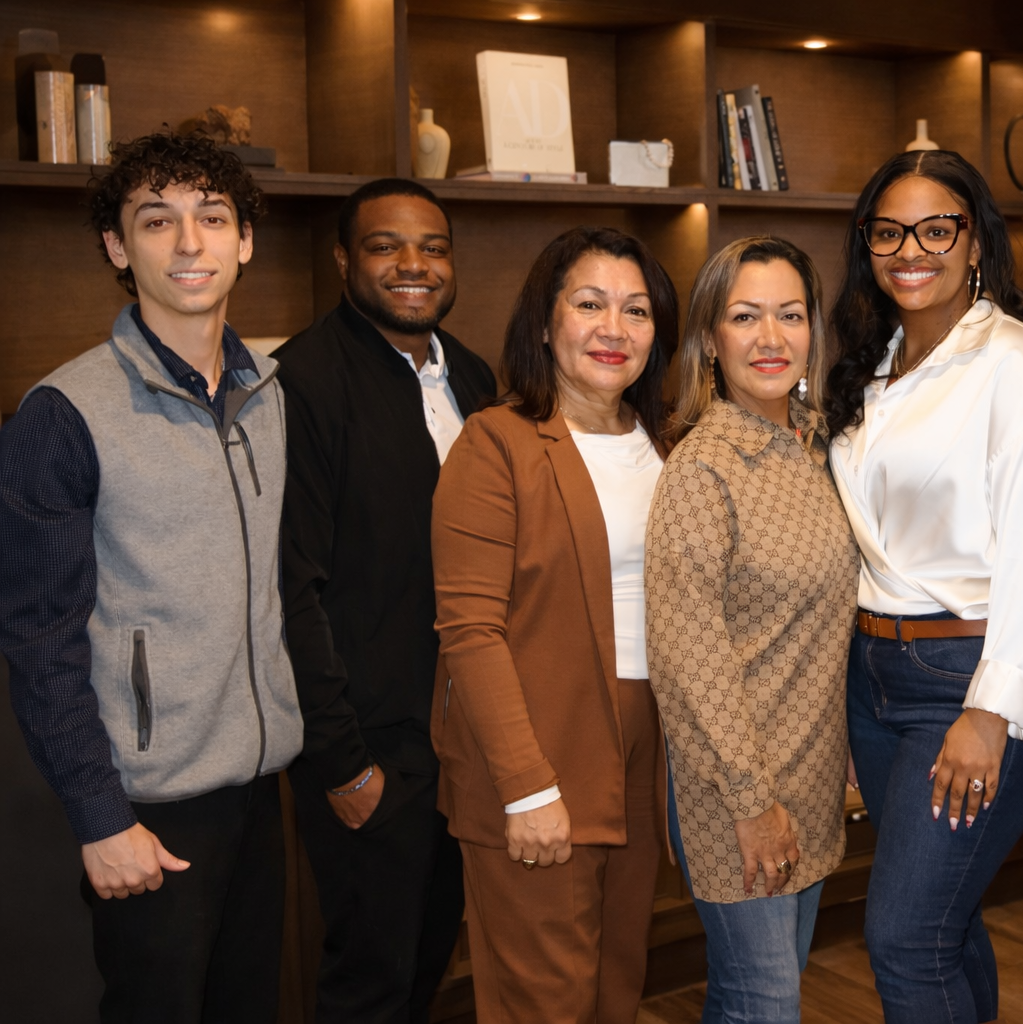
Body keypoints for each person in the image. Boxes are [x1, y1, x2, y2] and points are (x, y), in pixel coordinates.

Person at [0, 132, 302, 1022]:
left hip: (258, 784)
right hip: (149, 803)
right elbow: (38, 641)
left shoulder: (269, 393)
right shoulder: (63, 416)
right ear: (115, 247)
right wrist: (99, 816)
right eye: (156, 220)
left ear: (244, 239)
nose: (188, 243)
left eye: (212, 218)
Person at [823, 149, 1023, 1024]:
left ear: (973, 238)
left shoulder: (1022, 369)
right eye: (889, 231)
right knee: (943, 926)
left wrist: (991, 712)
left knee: (906, 940)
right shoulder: (878, 360)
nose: (912, 249)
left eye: (936, 228)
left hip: (973, 677)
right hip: (878, 678)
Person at [430, 226, 676, 1023]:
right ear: (545, 321)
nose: (615, 328)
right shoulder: (495, 443)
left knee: (615, 988)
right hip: (540, 756)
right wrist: (526, 785)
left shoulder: (670, 445)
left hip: (648, 753)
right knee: (545, 1002)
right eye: (590, 303)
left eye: (636, 310)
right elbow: (470, 631)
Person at [276, 178, 495, 1023]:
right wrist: (343, 763)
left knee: (428, 967)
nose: (413, 265)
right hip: (373, 754)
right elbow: (291, 591)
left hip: (465, 744)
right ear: (342, 260)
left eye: (433, 247)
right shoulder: (300, 384)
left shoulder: (471, 376)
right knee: (369, 983)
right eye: (384, 246)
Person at [647, 236, 859, 1023]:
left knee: (765, 993)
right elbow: (689, 661)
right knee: (763, 1004)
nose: (771, 338)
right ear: (710, 339)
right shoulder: (703, 471)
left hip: (809, 773)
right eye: (745, 317)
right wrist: (749, 801)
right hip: (736, 785)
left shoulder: (817, 444)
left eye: (790, 315)